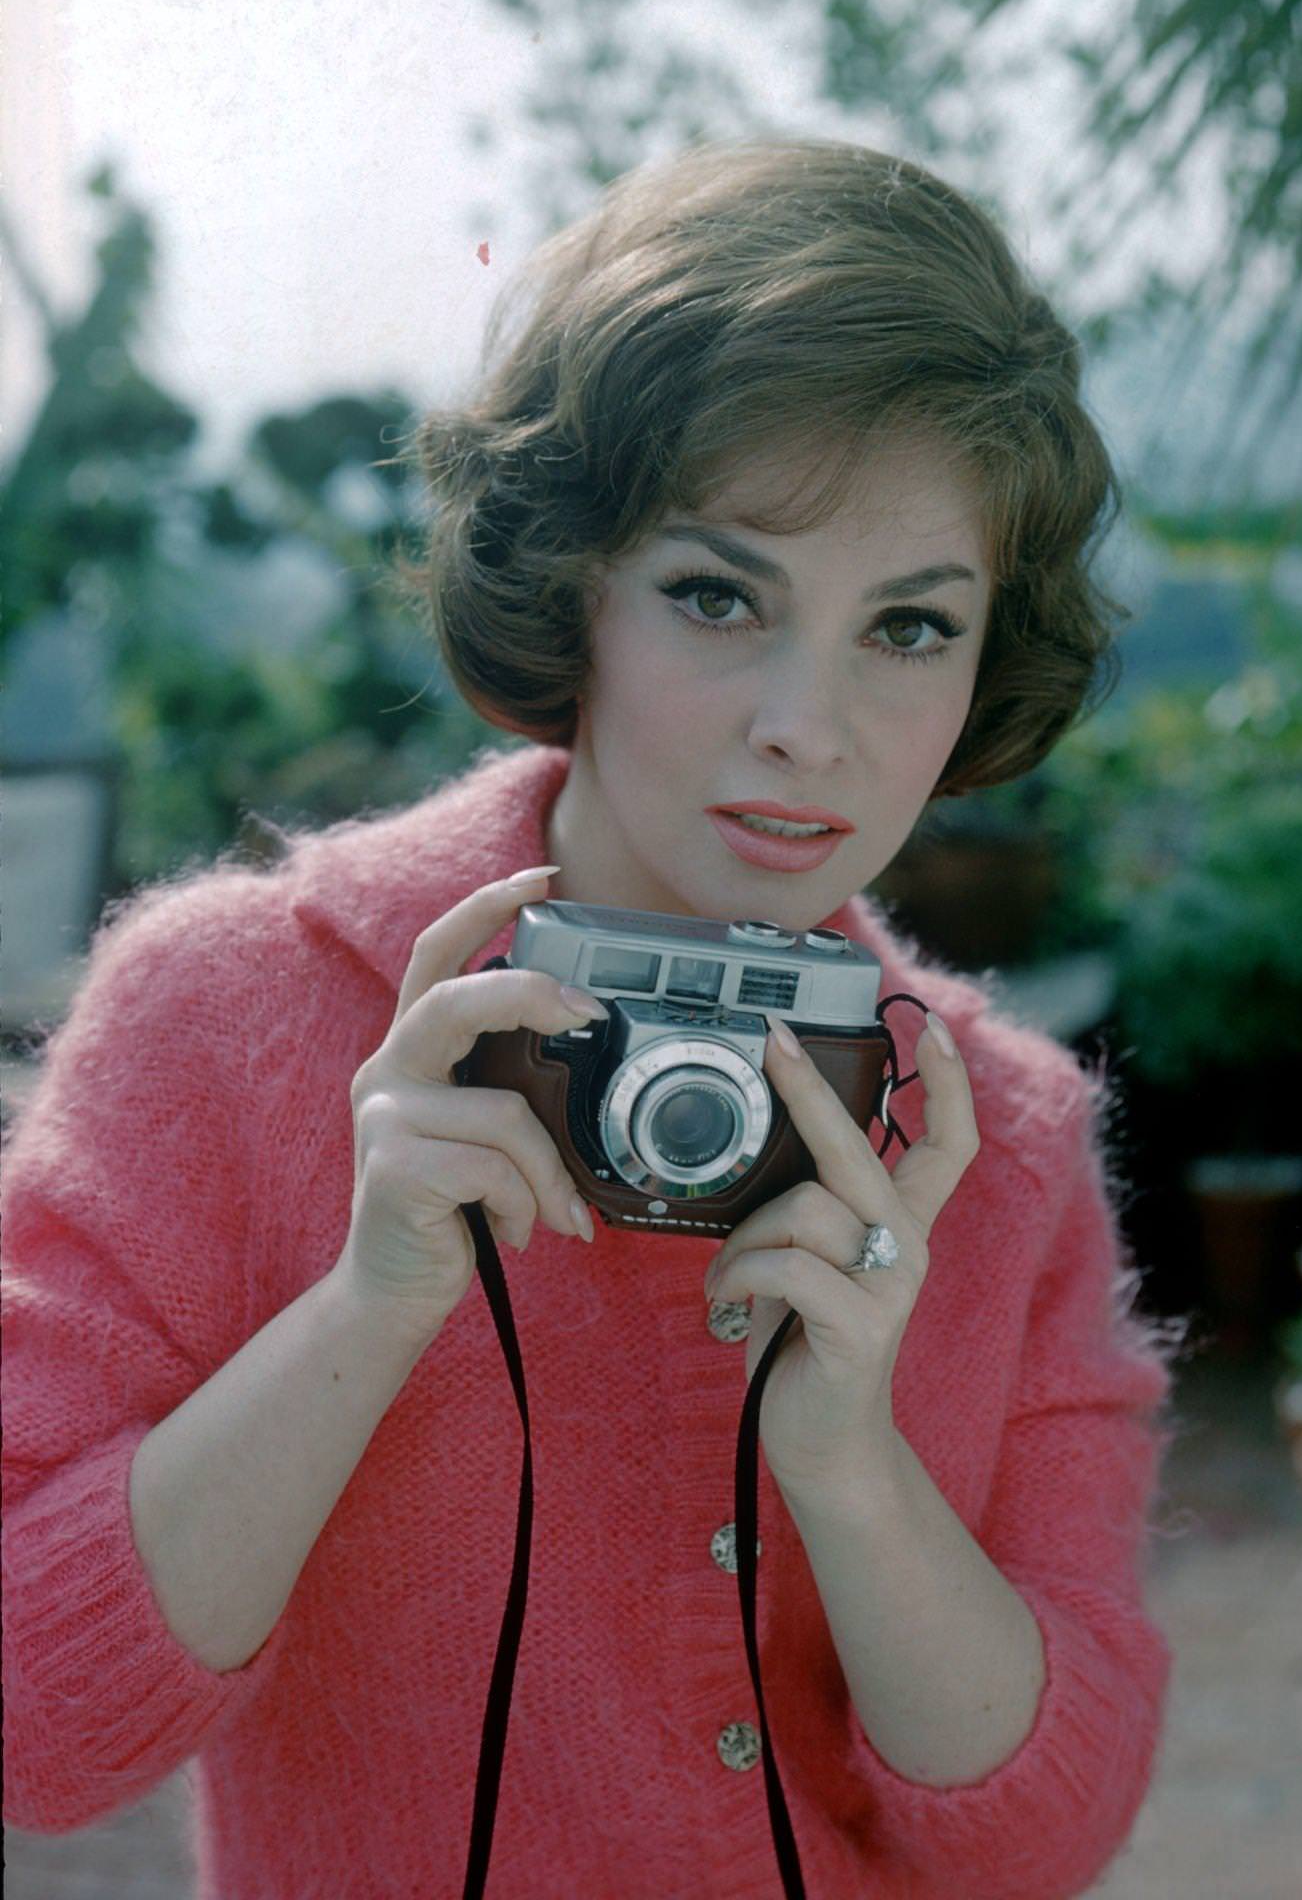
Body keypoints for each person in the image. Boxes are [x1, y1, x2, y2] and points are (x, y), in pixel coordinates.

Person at [2, 136, 1187, 1899]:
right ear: (577, 593)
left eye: (909, 627)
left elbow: (1043, 1839)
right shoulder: (232, 1013)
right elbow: (37, 1730)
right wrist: (370, 1304)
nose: (811, 723)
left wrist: (848, 1469)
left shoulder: (985, 1138)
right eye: (720, 595)